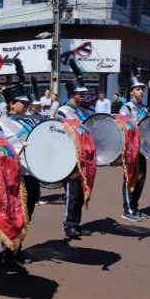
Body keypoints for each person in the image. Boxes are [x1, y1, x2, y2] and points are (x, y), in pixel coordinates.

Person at [0, 58, 40, 271]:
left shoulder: (30, 121)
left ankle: (17, 248)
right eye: (22, 102)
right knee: (12, 215)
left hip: (31, 174)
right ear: (11, 104)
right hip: (13, 177)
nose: (26, 105)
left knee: (26, 215)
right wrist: (17, 151)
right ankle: (7, 253)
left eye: (26, 102)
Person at [55, 62, 92, 239]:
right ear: (72, 94)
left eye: (83, 93)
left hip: (82, 157)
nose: (83, 96)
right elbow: (56, 133)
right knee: (73, 193)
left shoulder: (83, 112)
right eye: (80, 93)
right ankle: (69, 225)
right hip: (68, 158)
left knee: (81, 190)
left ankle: (75, 223)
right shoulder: (62, 112)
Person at [119, 65, 150, 222]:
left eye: (142, 89)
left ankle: (135, 206)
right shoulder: (126, 108)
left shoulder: (145, 108)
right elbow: (124, 127)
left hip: (142, 149)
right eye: (138, 89)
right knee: (130, 177)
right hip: (131, 148)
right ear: (131, 91)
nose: (141, 92)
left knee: (141, 177)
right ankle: (127, 209)